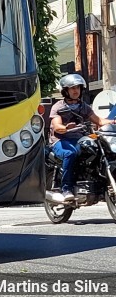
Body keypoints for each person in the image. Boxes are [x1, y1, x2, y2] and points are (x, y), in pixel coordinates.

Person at [49, 74, 114, 202]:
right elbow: (57, 126)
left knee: (95, 150)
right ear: (65, 91)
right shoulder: (58, 107)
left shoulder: (83, 106)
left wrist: (112, 122)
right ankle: (66, 188)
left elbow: (99, 120)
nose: (75, 91)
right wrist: (66, 128)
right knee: (70, 153)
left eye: (78, 88)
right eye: (72, 88)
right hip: (60, 141)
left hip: (78, 139)